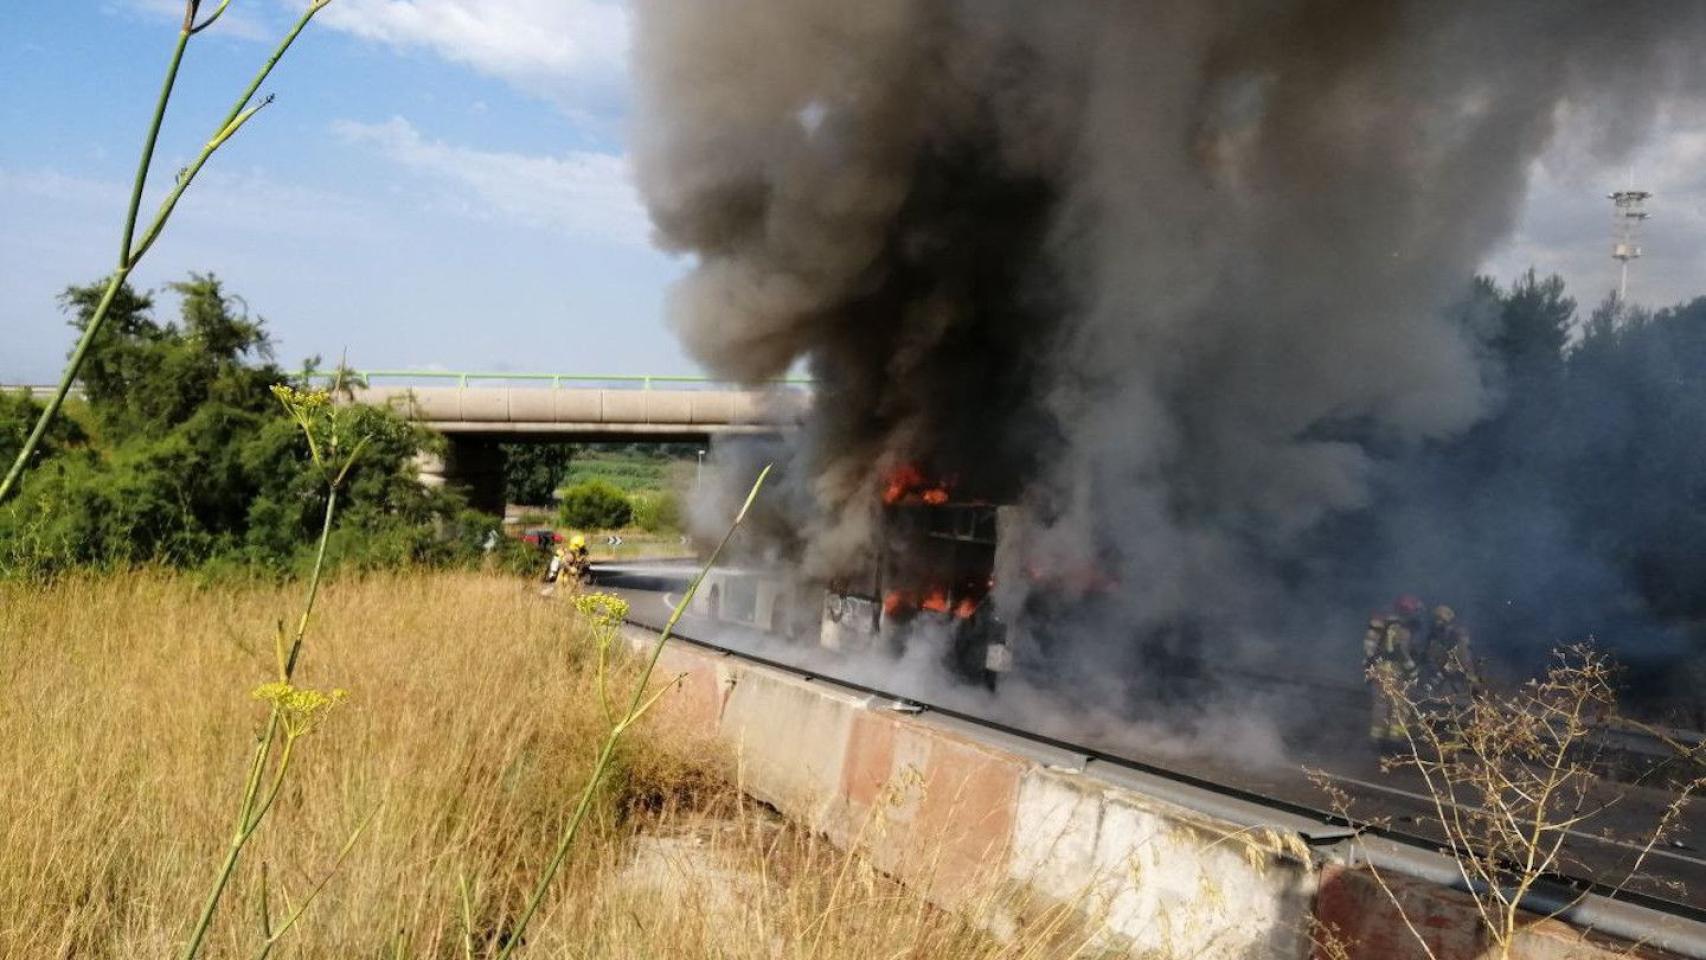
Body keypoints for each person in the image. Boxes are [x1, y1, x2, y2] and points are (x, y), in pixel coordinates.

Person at [1363, 595, 1423, 746]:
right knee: (1399, 707)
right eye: (1415, 611)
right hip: (1395, 671)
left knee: (1380, 705)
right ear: (1408, 611)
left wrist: (1369, 668)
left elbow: (1369, 649)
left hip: (1379, 670)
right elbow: (1401, 651)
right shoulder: (1400, 627)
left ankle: (1377, 740)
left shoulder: (1383, 622)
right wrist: (1413, 671)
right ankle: (1395, 742)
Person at [1418, 605, 1480, 698]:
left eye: (1439, 619)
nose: (1436, 623)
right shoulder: (1437, 634)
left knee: (1451, 690)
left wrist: (1439, 676)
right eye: (1436, 619)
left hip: (1458, 676)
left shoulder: (1458, 635)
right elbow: (1430, 655)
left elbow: (1462, 660)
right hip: (1445, 669)